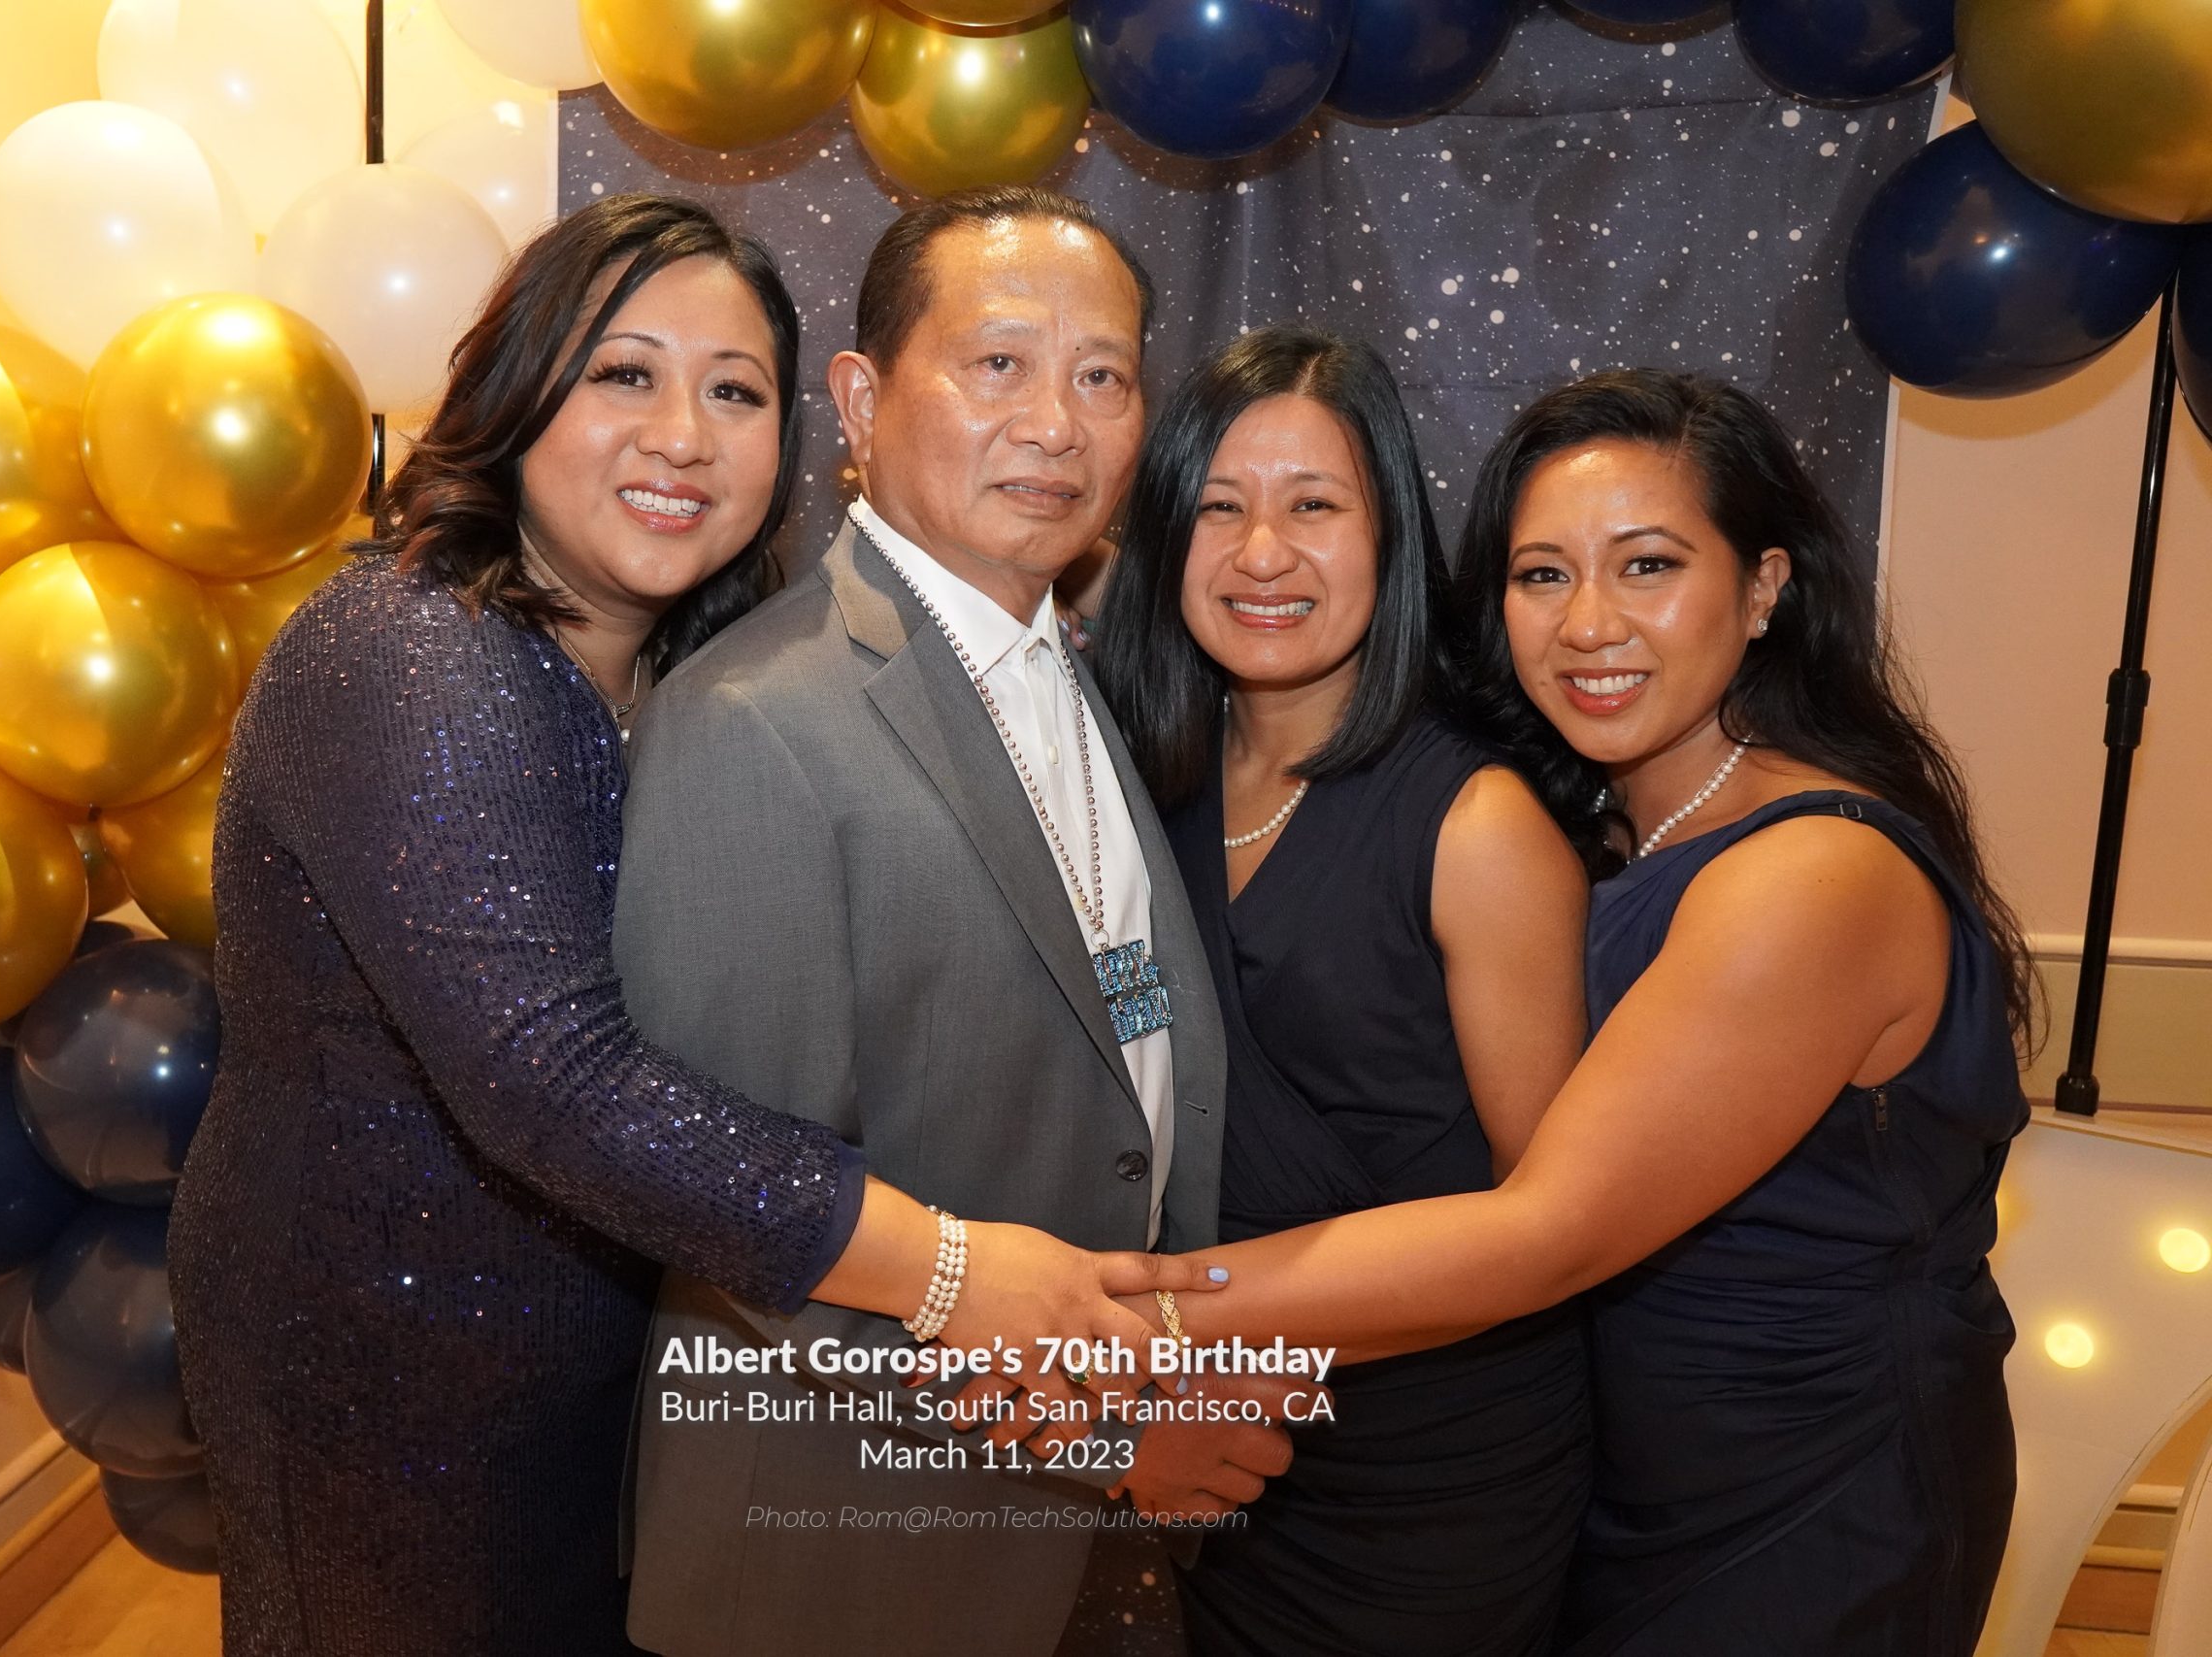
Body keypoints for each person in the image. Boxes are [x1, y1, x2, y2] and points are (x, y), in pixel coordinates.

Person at [166, 194, 1209, 1657]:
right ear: (515, 392)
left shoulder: (674, 661)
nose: (684, 436)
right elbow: (558, 1082)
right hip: (392, 1362)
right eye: (624, 375)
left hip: (605, 1344)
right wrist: (959, 1274)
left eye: (733, 392)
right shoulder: (411, 653)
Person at [1129, 369, 2029, 1656]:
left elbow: (1541, 1231)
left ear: (1764, 586)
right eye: (1542, 576)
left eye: (1647, 566)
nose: (1588, 623)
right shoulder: (1620, 822)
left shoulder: (1812, 877)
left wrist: (1121, 1315)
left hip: (1807, 1485)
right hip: (1620, 1468)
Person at [611, 185, 1275, 1657]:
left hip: (1058, 1524)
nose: (1057, 422)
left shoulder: (1061, 659)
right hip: (841, 1562)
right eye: (998, 364)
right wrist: (1093, 1439)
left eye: (1101, 376)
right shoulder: (753, 721)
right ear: (859, 398)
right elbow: (738, 1213)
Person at [1089, 325, 1593, 1657]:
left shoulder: (1477, 824)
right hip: (1216, 1454)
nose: (1264, 553)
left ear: (1392, 541)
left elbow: (1550, 1234)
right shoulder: (1145, 788)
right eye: (1220, 509)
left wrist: (1160, 1333)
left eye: (1315, 506)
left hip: (1429, 1471)